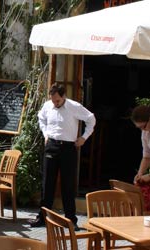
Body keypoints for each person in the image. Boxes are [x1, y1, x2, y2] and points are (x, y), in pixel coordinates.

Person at [30, 83, 96, 229]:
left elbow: (91, 119)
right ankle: (42, 217)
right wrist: (45, 133)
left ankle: (71, 220)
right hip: (51, 145)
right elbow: (41, 118)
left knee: (68, 184)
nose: (55, 103)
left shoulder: (74, 106)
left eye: (58, 101)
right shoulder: (48, 105)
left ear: (64, 96)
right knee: (47, 183)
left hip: (68, 147)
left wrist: (84, 137)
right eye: (53, 101)